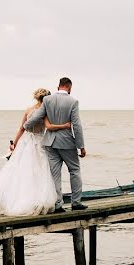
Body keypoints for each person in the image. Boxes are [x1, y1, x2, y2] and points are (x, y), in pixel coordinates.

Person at [0, 88, 60, 216]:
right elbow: (49, 127)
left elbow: (21, 129)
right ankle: (36, 200)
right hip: (40, 141)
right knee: (40, 171)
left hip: (26, 142)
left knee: (22, 171)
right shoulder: (45, 111)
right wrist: (64, 126)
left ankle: (19, 199)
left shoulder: (28, 110)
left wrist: (14, 143)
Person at [25, 76, 86, 210]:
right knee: (74, 170)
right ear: (69, 87)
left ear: (58, 86)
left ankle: (58, 204)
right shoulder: (73, 102)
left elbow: (36, 117)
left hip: (50, 142)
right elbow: (77, 125)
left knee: (55, 174)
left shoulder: (47, 100)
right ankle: (75, 202)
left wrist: (26, 125)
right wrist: (81, 146)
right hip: (67, 142)